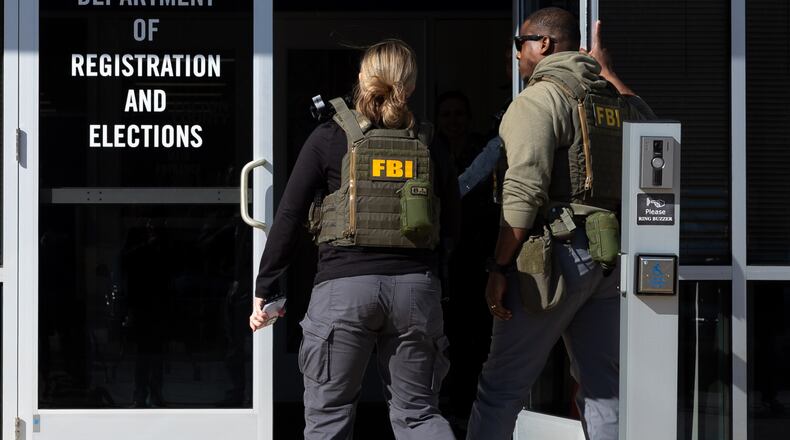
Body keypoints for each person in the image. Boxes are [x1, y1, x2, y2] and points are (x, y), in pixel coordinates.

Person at [250, 39, 460, 440]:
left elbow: (291, 215)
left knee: (328, 418)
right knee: (418, 415)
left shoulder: (329, 137)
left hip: (343, 291)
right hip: (416, 291)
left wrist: (266, 284)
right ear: (410, 86)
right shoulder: (431, 143)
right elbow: (451, 225)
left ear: (362, 79)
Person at [467, 9, 654, 440]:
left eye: (520, 43)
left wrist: (498, 269)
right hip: (605, 263)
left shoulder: (538, 100)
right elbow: (655, 138)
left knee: (500, 389)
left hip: (551, 262)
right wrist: (608, 72)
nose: (516, 54)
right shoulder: (610, 101)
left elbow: (523, 193)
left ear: (544, 44)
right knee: (605, 391)